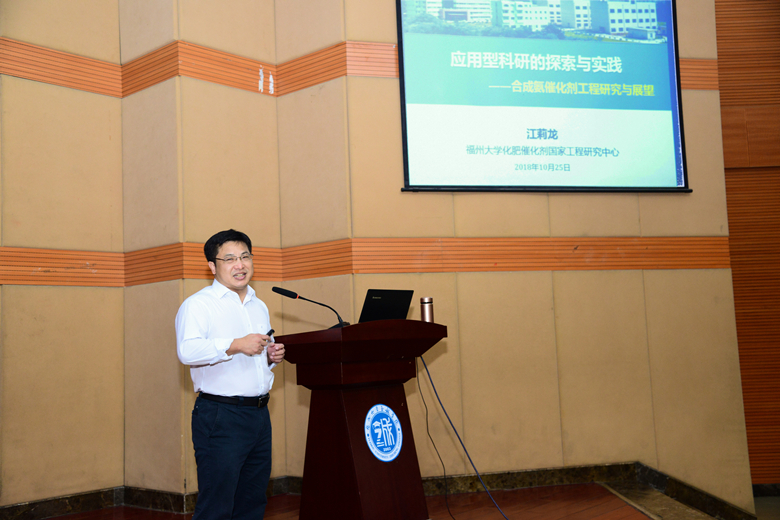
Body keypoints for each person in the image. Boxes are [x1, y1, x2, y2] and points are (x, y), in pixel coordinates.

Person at [176, 229, 285, 520]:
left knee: (252, 501)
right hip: (220, 416)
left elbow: (255, 354)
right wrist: (236, 344)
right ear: (212, 266)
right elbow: (187, 351)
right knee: (217, 505)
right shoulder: (198, 305)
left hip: (259, 415)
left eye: (245, 257)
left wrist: (270, 357)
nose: (240, 265)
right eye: (230, 259)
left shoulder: (258, 305)